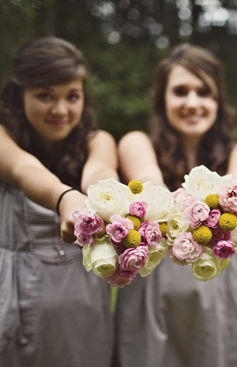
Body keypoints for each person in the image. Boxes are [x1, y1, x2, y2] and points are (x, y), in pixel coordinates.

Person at [115, 43, 237, 367]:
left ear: (218, 101)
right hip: (151, 290)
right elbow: (151, 185)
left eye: (204, 92)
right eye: (180, 91)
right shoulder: (135, 143)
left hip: (217, 286)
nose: (192, 103)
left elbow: (232, 198)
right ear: (162, 99)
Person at [0, 36, 118, 366]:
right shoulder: (3, 137)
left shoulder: (98, 140)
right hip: (12, 300)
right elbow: (24, 169)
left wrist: (100, 198)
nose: (60, 110)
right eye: (45, 96)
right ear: (18, 94)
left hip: (82, 308)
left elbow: (100, 170)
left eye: (72, 96)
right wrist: (65, 197)